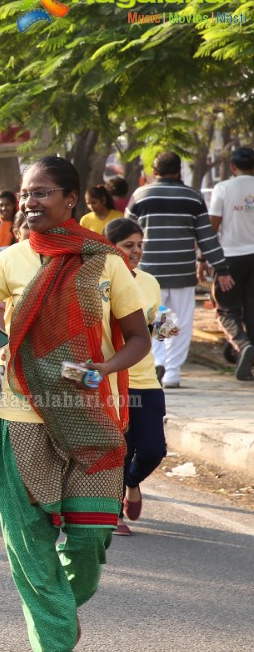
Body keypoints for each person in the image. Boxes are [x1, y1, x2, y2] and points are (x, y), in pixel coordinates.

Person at [0, 155, 151, 652]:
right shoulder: (9, 260)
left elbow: (139, 338)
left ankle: (57, 607)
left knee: (90, 537)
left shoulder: (105, 261)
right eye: (25, 193)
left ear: (71, 199)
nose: (29, 201)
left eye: (42, 192)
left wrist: (104, 367)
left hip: (88, 412)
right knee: (28, 536)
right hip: (23, 415)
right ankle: (54, 641)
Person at [126, 151, 231, 388]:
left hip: (149, 272)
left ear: (154, 172)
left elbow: (125, 232)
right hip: (182, 272)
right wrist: (221, 268)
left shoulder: (140, 195)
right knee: (179, 321)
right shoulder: (192, 197)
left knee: (157, 318)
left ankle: (157, 363)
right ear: (179, 171)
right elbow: (207, 237)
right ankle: (172, 372)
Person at [104, 218, 168, 536]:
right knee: (119, 447)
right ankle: (113, 512)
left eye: (140, 245)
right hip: (112, 379)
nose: (137, 251)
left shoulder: (149, 282)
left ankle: (132, 481)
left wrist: (166, 324)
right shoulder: (97, 281)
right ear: (111, 247)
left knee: (155, 448)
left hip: (145, 379)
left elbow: (155, 319)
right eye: (129, 245)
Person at [208, 146, 254, 379]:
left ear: (233, 167)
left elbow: (213, 226)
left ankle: (242, 344)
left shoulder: (223, 188)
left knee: (226, 307)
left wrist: (204, 258)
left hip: (230, 258)